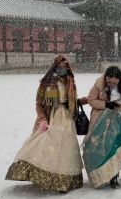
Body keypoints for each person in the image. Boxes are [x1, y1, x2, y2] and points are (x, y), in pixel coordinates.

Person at [5, 54, 87, 193]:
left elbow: (71, 101)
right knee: (47, 146)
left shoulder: (70, 81)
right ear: (55, 67)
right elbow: (39, 104)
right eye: (60, 67)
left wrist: (85, 100)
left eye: (65, 67)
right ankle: (43, 175)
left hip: (67, 119)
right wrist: (43, 118)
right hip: (52, 117)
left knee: (67, 150)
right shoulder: (47, 81)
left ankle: (65, 179)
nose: (63, 69)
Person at [82, 66, 121, 189]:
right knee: (104, 147)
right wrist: (106, 104)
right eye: (110, 82)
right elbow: (91, 100)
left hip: (119, 121)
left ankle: (114, 176)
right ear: (106, 78)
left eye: (116, 82)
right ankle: (102, 174)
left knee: (117, 147)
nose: (113, 84)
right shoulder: (98, 86)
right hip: (101, 122)